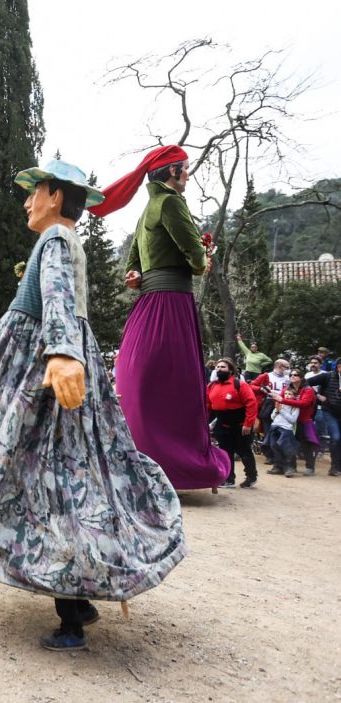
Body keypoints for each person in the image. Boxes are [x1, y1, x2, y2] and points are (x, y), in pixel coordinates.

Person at [0, 160, 186, 652]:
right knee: (65, 476)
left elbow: (56, 297)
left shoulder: (55, 240)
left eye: (34, 192)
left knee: (40, 476)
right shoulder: (62, 241)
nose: (27, 201)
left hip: (45, 364)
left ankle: (71, 607)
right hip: (61, 359)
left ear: (55, 196)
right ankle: (76, 601)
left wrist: (58, 352)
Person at [90, 144, 229, 491]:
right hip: (172, 304)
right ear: (172, 172)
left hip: (146, 306)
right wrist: (205, 257)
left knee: (139, 382)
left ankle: (137, 459)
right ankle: (179, 465)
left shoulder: (147, 208)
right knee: (177, 385)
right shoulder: (170, 202)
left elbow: (132, 263)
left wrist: (134, 274)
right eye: (185, 169)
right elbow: (196, 261)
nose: (187, 175)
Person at [206, 358, 258, 488]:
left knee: (244, 451)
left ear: (230, 370)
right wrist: (204, 421)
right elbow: (207, 405)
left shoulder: (239, 384)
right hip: (222, 423)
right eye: (217, 367)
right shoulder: (211, 386)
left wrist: (248, 423)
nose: (219, 369)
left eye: (223, 367)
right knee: (225, 452)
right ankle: (229, 479)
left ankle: (251, 477)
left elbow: (251, 403)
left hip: (240, 424)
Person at [274, 369, 318, 477]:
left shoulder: (308, 390)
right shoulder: (287, 389)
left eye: (296, 375)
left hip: (303, 421)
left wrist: (282, 400)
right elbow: (279, 400)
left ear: (301, 377)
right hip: (288, 421)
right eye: (291, 375)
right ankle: (291, 467)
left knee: (306, 444)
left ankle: (310, 467)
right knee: (289, 444)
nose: (293, 376)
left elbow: (304, 403)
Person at [266, 388, 301, 477]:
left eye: (290, 394)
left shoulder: (295, 407)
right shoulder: (280, 404)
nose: (287, 395)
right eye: (285, 394)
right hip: (275, 427)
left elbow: (292, 420)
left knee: (286, 449)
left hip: (286, 429)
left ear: (294, 396)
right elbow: (272, 417)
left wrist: (281, 410)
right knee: (275, 447)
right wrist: (277, 410)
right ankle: (278, 467)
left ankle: (289, 468)